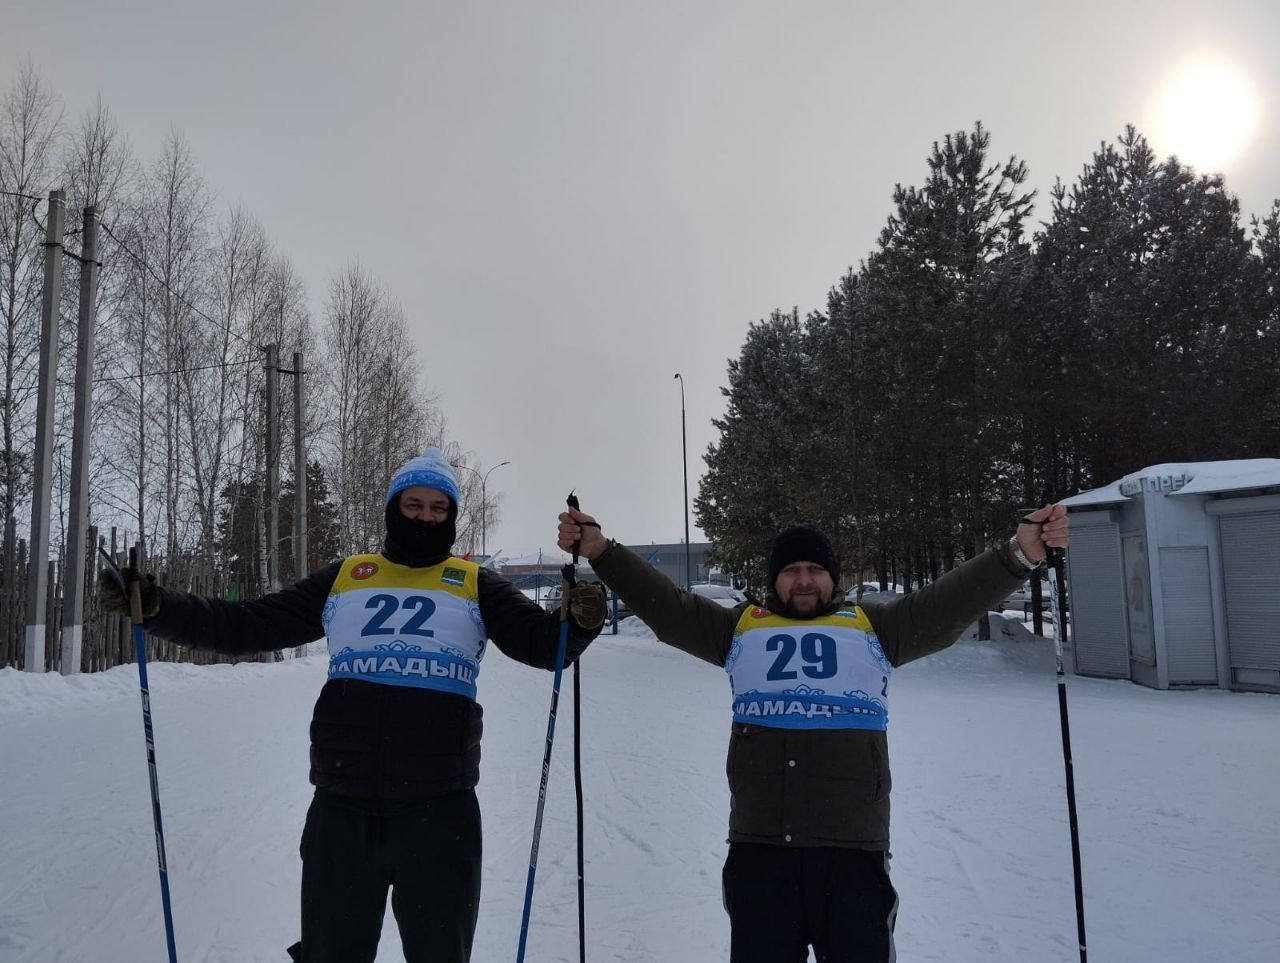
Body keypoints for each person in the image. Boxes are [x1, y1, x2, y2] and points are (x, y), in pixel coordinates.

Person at [100, 447, 608, 963]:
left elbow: (544, 645)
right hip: (343, 810)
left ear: (452, 516)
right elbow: (249, 624)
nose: (426, 517)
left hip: (440, 814)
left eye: (438, 508)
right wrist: (161, 608)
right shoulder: (346, 576)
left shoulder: (476, 583)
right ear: (394, 507)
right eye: (414, 505)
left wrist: (582, 620)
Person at [557, 503, 1069, 963]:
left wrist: (1018, 556)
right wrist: (602, 552)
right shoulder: (740, 629)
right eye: (792, 571)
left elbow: (945, 605)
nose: (804, 581)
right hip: (760, 854)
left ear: (833, 577)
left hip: (851, 855)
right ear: (774, 579)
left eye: (815, 570)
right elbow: (668, 608)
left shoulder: (874, 628)